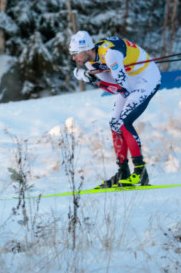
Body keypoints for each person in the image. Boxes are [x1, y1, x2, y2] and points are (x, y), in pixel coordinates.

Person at [69, 30, 161, 188]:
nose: (74, 58)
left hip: (146, 79)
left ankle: (140, 172)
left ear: (87, 50)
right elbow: (113, 89)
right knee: (114, 123)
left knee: (125, 121)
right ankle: (123, 172)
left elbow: (122, 88)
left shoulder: (110, 54)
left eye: (76, 53)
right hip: (130, 82)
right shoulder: (91, 62)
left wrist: (92, 80)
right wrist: (93, 78)